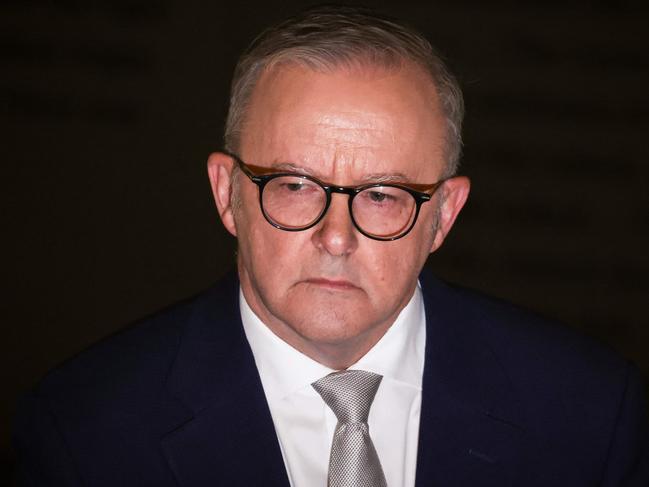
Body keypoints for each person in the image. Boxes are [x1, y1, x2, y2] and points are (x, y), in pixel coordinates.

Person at [13, 6, 648, 487]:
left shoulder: (593, 416)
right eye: (293, 185)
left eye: (381, 194)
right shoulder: (80, 436)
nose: (336, 237)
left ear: (444, 215)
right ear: (226, 192)